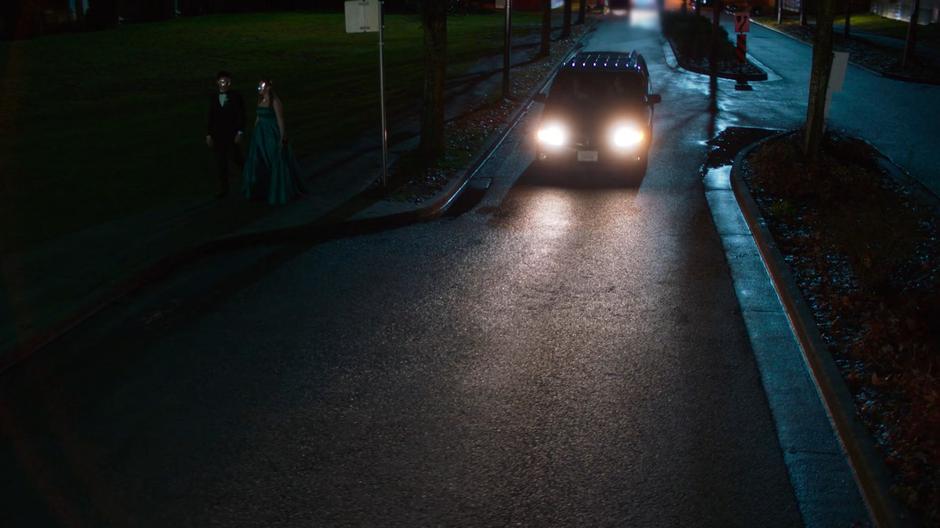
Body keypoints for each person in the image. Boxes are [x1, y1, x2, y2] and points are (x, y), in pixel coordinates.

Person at [242, 79, 305, 205]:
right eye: (259, 85)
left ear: (269, 87)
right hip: (260, 135)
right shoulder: (260, 100)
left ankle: (278, 189)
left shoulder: (275, 101)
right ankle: (261, 190)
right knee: (259, 161)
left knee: (274, 158)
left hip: (271, 133)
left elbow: (280, 120)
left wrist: (282, 137)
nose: (260, 88)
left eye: (263, 85)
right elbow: (258, 118)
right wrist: (255, 133)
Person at [206, 71, 245, 198]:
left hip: (231, 134)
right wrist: (208, 134)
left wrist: (239, 132)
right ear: (218, 82)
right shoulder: (213, 97)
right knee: (220, 163)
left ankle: (250, 179)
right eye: (222, 81)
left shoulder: (236, 96)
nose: (225, 84)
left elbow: (241, 115)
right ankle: (224, 189)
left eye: (227, 82)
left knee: (237, 159)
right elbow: (210, 116)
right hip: (218, 135)